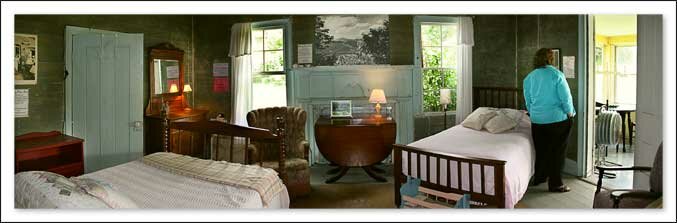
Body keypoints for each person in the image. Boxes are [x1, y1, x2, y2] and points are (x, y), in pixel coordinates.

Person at [523, 48, 576, 193]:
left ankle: (539, 178)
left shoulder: (529, 77)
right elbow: (566, 98)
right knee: (557, 153)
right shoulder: (557, 75)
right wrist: (570, 113)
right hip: (557, 121)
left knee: (541, 151)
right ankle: (556, 184)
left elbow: (528, 101)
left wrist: (534, 114)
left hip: (537, 121)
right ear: (550, 59)